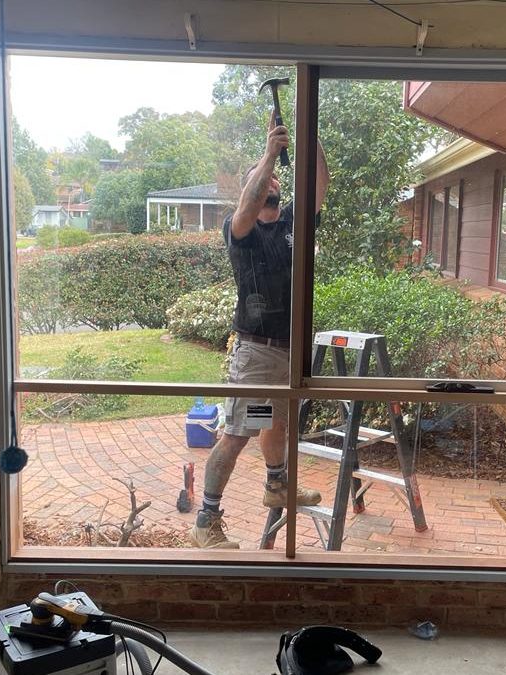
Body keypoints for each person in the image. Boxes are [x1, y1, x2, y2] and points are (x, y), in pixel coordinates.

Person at [190, 116, 330, 549]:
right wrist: (268, 154)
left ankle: (277, 484)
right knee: (236, 433)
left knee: (276, 423)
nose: (269, 182)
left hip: (290, 351)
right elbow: (245, 208)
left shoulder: (292, 224)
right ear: (251, 188)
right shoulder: (241, 232)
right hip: (256, 351)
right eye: (260, 178)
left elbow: (320, 182)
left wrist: (308, 134)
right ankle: (206, 521)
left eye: (272, 179)